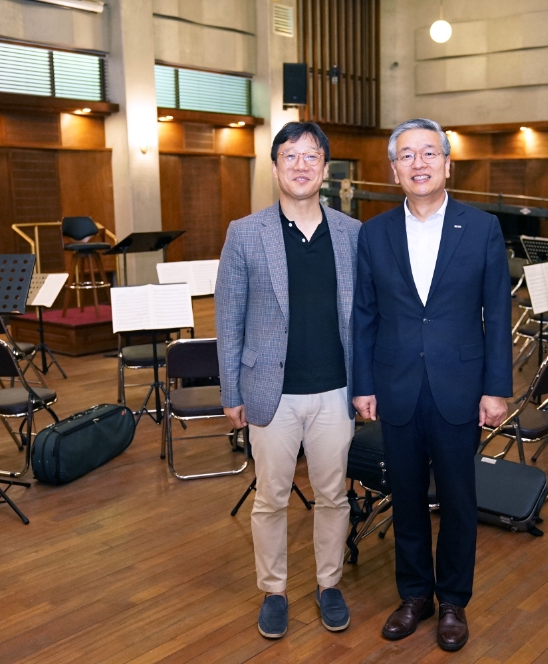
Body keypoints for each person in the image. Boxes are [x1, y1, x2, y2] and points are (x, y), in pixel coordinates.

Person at [351, 118, 512, 652]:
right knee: (407, 497)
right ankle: (415, 595)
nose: (418, 164)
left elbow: (496, 311)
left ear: (447, 163)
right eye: (406, 156)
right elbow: (365, 315)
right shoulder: (373, 233)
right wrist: (363, 384)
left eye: (428, 153)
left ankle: (452, 603)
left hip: (459, 386)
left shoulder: (483, 227)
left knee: (460, 500)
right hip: (395, 385)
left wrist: (496, 388)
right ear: (393, 169)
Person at [215, 121, 361, 639]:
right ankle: (273, 591)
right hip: (268, 394)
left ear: (324, 168)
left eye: (311, 156)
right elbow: (228, 317)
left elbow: (364, 317)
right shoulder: (245, 232)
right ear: (275, 166)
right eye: (291, 156)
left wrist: (366, 384)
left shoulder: (351, 233)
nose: (301, 165)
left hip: (335, 391)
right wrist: (230, 392)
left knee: (333, 497)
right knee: (271, 498)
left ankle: (328, 583)